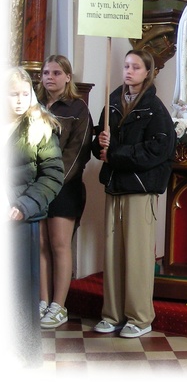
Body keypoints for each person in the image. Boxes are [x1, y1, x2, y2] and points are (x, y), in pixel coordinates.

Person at [91, 50, 176, 338]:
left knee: (137, 256)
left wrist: (114, 153)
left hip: (140, 188)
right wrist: (100, 142)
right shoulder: (113, 102)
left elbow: (157, 150)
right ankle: (112, 314)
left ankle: (139, 318)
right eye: (126, 65)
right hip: (115, 185)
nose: (129, 71)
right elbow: (100, 146)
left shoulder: (155, 109)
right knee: (113, 254)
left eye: (136, 67)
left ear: (147, 72)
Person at [5, 67, 64, 367]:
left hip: (20, 221)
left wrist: (24, 205)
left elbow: (53, 176)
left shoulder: (39, 127)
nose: (19, 100)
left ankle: (25, 360)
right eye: (13, 94)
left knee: (20, 296)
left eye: (25, 94)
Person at [36, 55, 93, 329]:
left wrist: (52, 182)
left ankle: (59, 306)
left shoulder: (77, 108)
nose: (50, 77)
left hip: (63, 186)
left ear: (68, 77)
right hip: (35, 186)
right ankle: (43, 300)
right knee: (41, 245)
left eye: (57, 73)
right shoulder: (33, 105)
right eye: (46, 72)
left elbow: (77, 151)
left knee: (59, 245)